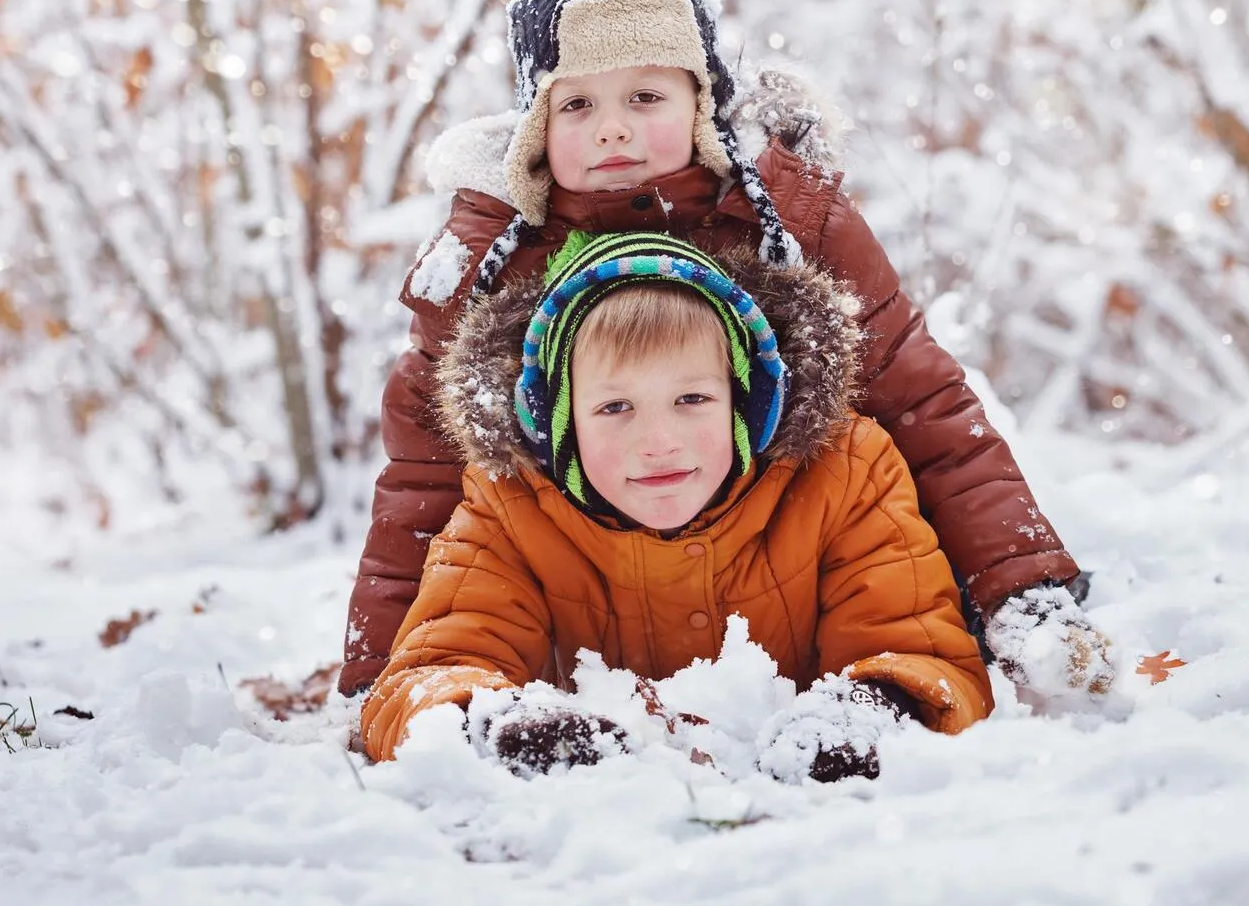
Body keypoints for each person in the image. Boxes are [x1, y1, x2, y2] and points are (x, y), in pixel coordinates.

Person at [342, 0, 1111, 707]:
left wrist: (1021, 591)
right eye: (577, 103)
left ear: (702, 106)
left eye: (646, 97)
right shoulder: (492, 264)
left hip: (785, 590)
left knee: (858, 456)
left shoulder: (793, 228)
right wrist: (381, 680)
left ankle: (885, 686)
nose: (613, 129)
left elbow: (926, 410)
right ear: (536, 126)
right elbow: (425, 484)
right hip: (587, 607)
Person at [359, 233, 991, 779]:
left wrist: (872, 711)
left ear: (743, 397)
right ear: (562, 421)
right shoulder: (513, 505)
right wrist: (497, 724)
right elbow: (436, 666)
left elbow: (922, 652)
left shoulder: (842, 473)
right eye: (614, 407)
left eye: (691, 399)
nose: (659, 443)